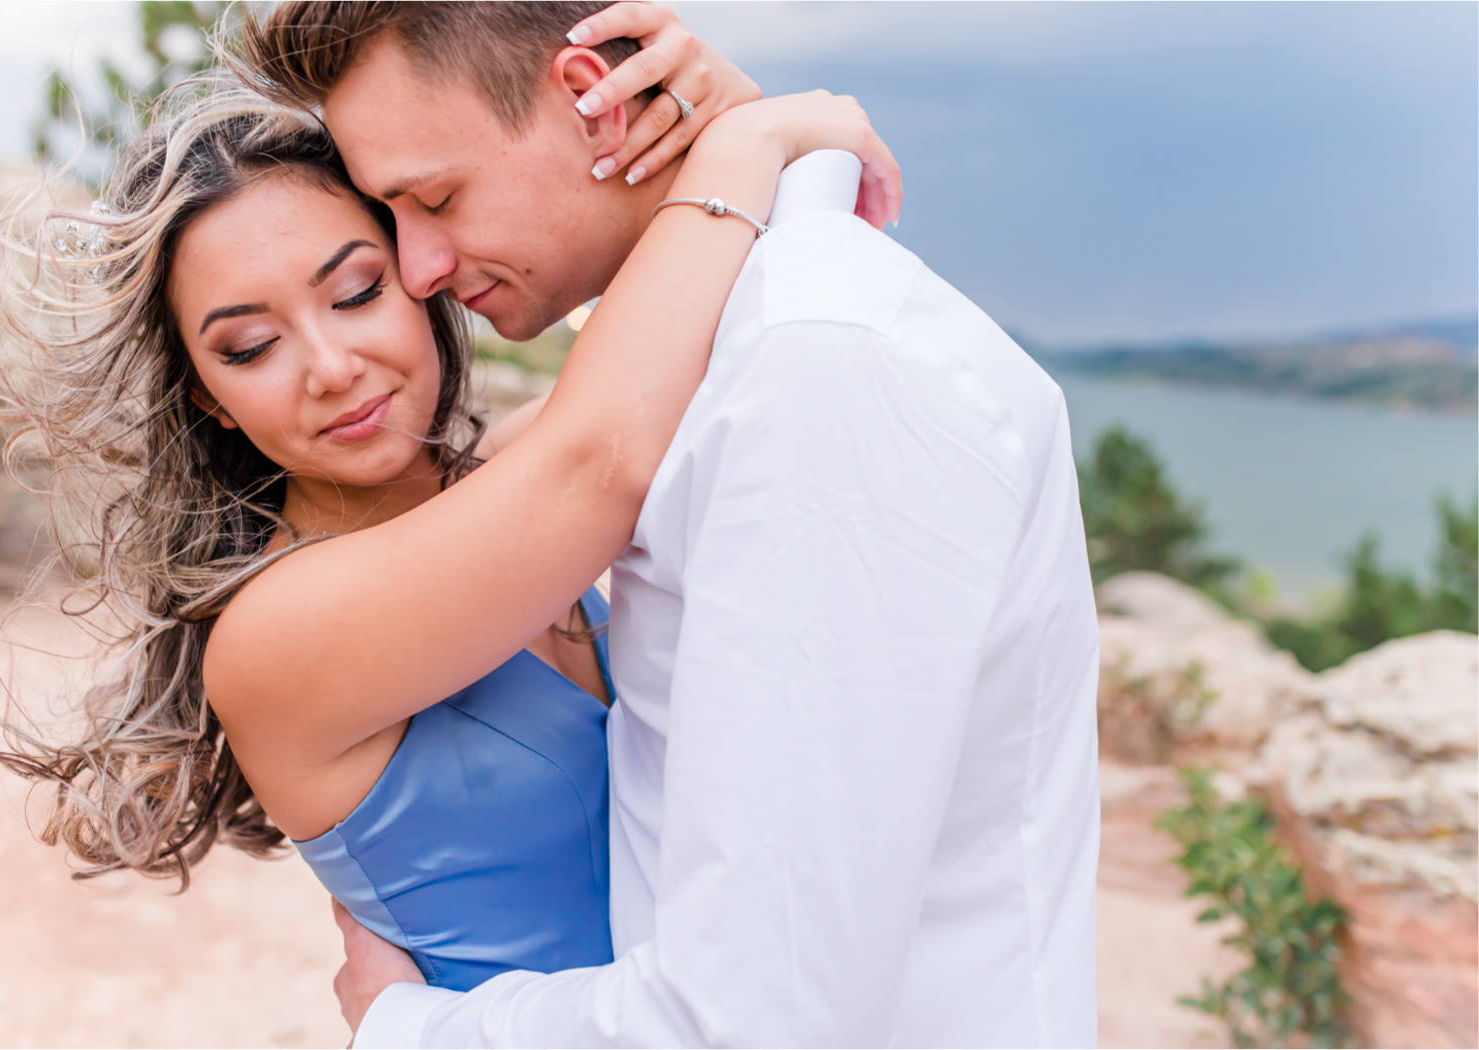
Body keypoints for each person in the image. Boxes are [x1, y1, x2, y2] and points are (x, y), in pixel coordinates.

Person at [0, 0, 897, 1019]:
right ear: (208, 395)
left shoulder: (503, 479)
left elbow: (720, 351)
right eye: (250, 347)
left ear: (420, 272)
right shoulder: (273, 636)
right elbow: (604, 456)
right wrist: (750, 142)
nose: (331, 367)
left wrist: (689, 124)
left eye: (358, 289)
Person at [244, 2, 1102, 1047]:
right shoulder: (716, 363)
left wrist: (405, 1029)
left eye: (434, 199)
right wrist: (749, 139)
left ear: (586, 99)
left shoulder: (810, 367)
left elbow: (755, 1022)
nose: (422, 268)